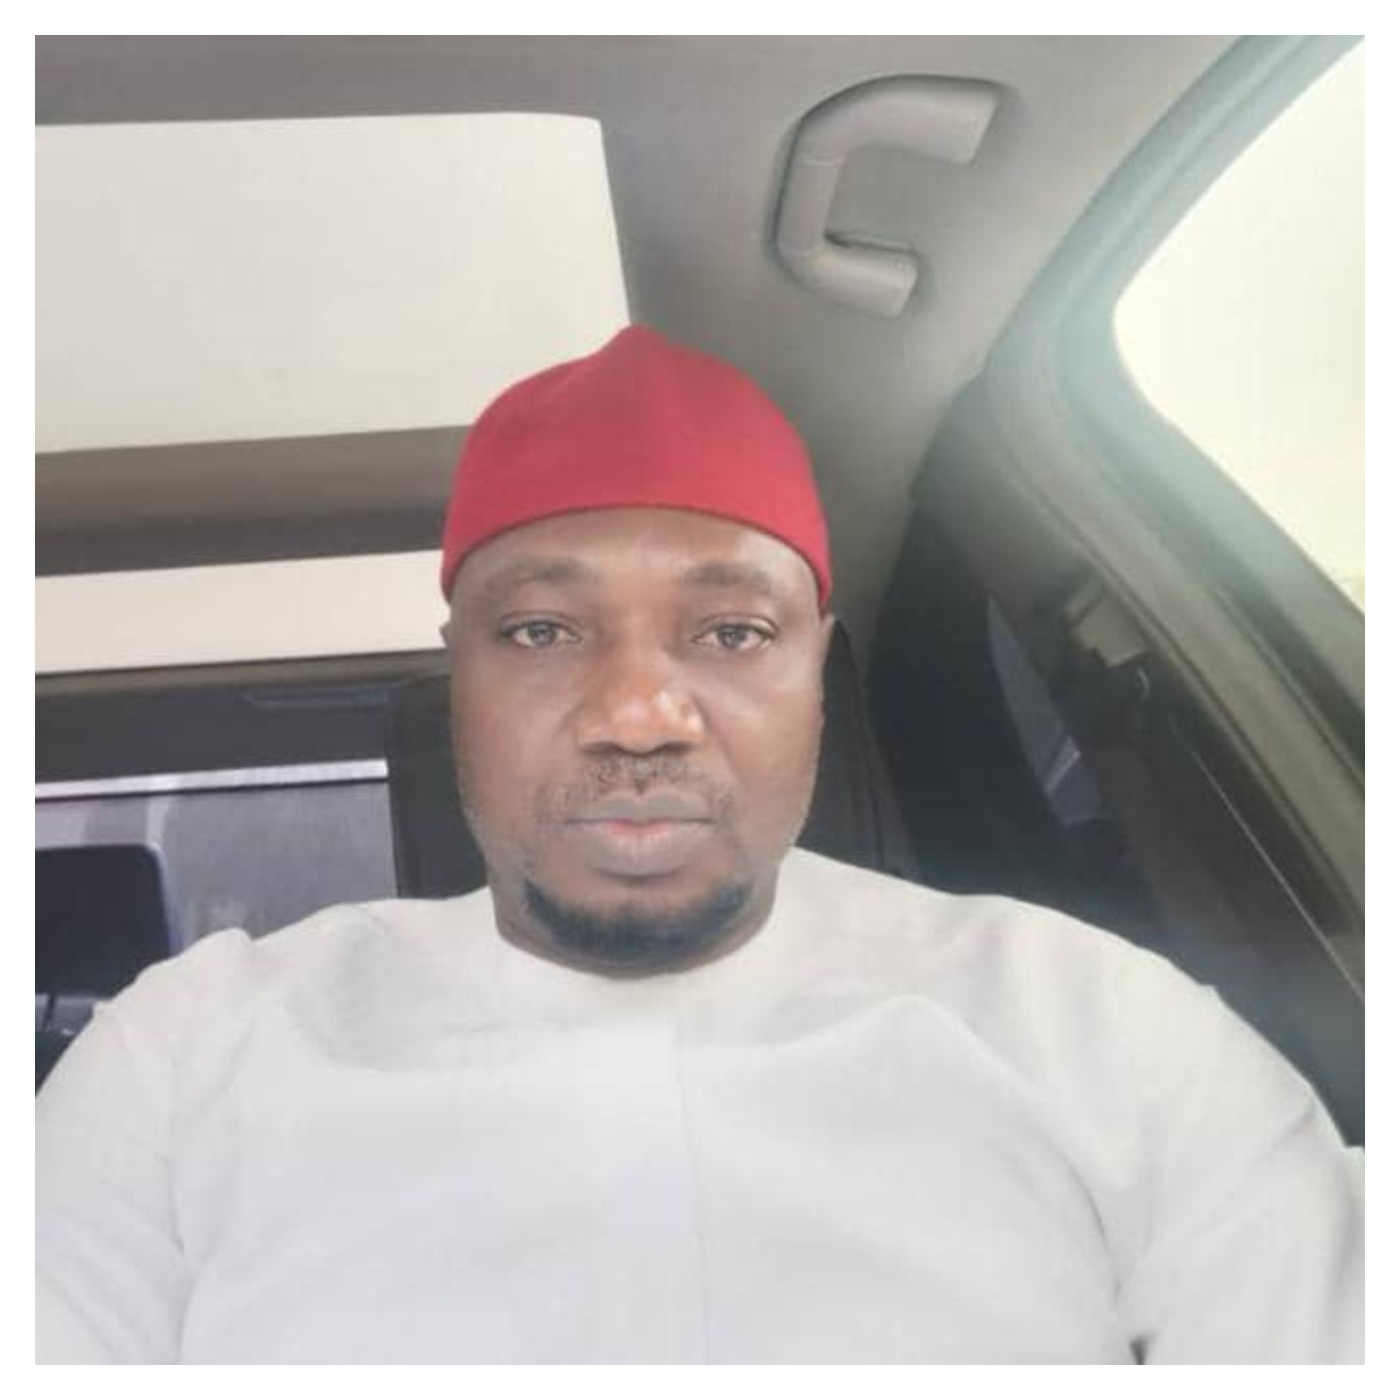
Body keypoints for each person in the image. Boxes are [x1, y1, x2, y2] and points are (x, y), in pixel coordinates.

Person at [37, 325, 1363, 1364]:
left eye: (732, 632)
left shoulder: (1099, 1027)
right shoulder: (188, 1055)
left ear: (817, 674)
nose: (637, 716)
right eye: (541, 632)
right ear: (457, 679)